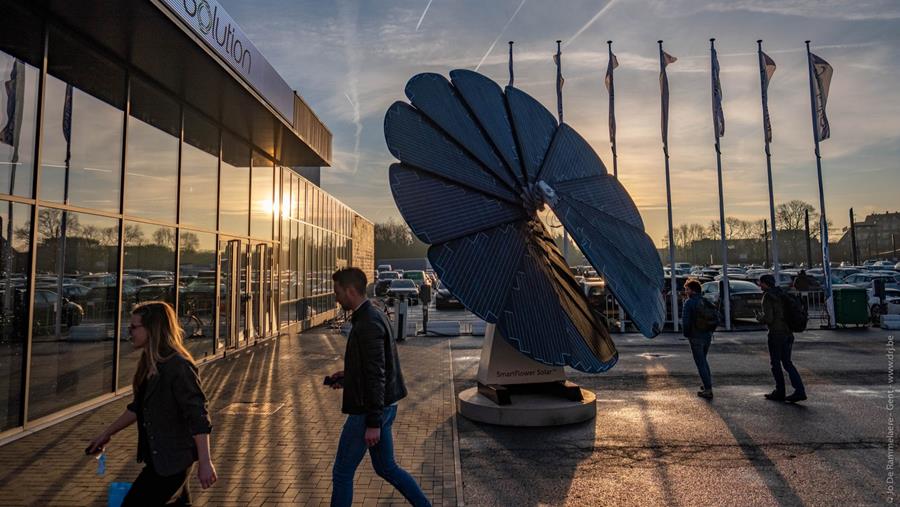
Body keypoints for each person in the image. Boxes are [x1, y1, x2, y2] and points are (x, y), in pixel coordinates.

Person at [87, 301, 216, 505]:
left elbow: (198, 415)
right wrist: (106, 434)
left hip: (173, 462)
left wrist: (205, 462)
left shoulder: (178, 366)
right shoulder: (149, 362)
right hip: (161, 459)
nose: (130, 332)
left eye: (134, 327)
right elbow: (138, 407)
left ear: (152, 329)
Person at [327, 268, 431, 507]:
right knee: (387, 467)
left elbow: (377, 375)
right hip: (381, 407)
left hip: (369, 412)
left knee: (342, 472)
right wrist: (348, 376)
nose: (336, 297)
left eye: (338, 292)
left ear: (350, 290)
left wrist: (373, 423)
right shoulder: (372, 314)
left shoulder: (368, 322)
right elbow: (373, 367)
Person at [756, 274, 807, 403]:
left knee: (775, 363)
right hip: (788, 333)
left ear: (765, 283)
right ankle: (799, 390)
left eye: (760, 283)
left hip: (776, 334)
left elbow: (769, 318)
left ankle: (780, 391)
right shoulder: (782, 293)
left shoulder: (768, 297)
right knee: (787, 363)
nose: (759, 285)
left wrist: (759, 318)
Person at [681, 279, 714, 399]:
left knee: (700, 363)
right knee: (704, 361)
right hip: (707, 335)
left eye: (687, 289)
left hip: (695, 336)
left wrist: (686, 334)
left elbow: (685, 321)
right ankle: (707, 384)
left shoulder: (689, 303)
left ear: (693, 291)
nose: (686, 291)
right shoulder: (705, 300)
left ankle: (708, 389)